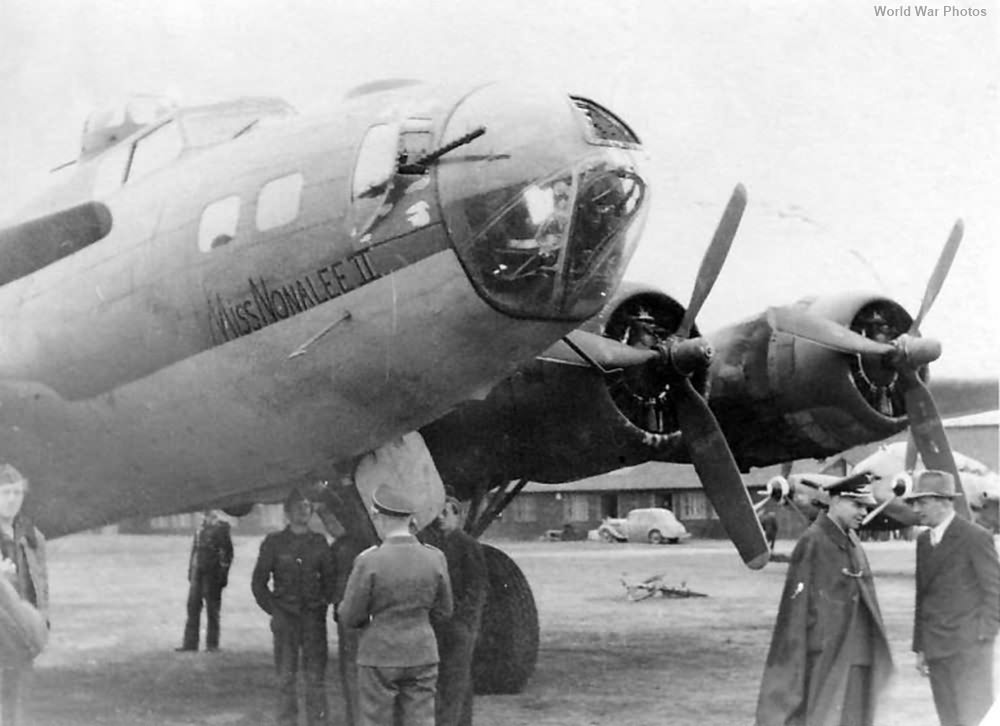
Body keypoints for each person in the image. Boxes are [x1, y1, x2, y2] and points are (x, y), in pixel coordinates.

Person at [756, 473, 894, 726]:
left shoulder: (852, 540)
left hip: (859, 660)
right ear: (836, 501)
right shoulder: (813, 541)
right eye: (857, 505)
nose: (864, 512)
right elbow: (795, 614)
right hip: (827, 661)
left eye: (866, 506)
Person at [338, 483, 453, 726]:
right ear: (410, 518)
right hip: (422, 651)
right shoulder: (435, 557)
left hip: (379, 653)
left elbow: (350, 616)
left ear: (378, 517)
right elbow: (445, 610)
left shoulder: (369, 560)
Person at [905, 470, 1000, 726]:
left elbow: (995, 591)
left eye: (922, 502)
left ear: (945, 502)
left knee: (973, 716)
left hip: (970, 652)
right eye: (915, 502)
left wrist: (981, 637)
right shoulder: (924, 541)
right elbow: (922, 596)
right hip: (936, 649)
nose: (916, 508)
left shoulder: (975, 537)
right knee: (948, 718)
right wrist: (921, 646)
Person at [252, 489, 336, 726]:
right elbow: (258, 583)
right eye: (298, 506)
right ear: (287, 512)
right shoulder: (274, 543)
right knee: (285, 677)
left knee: (315, 678)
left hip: (312, 620)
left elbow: (330, 579)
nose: (304, 510)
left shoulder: (319, 542)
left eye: (307, 506)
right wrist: (275, 610)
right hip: (285, 620)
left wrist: (321, 604)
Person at [419, 496, 487, 726]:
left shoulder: (468, 545)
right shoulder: (433, 546)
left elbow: (476, 588)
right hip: (439, 625)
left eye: (446, 513)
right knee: (451, 681)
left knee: (455, 682)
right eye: (437, 513)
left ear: (458, 516)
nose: (440, 518)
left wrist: (463, 620)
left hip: (458, 627)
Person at [0, 464, 48, 726]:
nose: (11, 500)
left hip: (23, 628)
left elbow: (41, 584)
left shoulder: (32, 535)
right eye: (5, 492)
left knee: (20, 704)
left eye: (17, 493)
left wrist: (43, 621)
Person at [177, 509, 233, 652]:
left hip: (212, 572)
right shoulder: (200, 527)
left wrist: (223, 574)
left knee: (212, 609)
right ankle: (190, 644)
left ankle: (212, 644)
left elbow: (227, 553)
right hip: (198, 571)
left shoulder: (221, 528)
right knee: (193, 607)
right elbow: (194, 550)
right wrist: (191, 570)